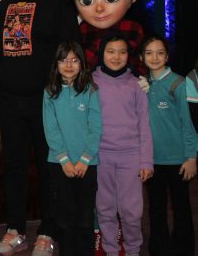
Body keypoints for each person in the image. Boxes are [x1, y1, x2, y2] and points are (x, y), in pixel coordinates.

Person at [0, 0, 79, 256]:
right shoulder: (4, 6)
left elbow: (72, 50)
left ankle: (47, 232)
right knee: (13, 167)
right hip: (10, 102)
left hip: (47, 101)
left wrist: (64, 94)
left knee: (48, 166)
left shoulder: (56, 4)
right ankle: (15, 231)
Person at [92, 34, 153, 256]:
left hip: (131, 156)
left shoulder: (136, 84)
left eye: (122, 52)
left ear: (129, 55)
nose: (116, 57)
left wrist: (146, 161)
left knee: (131, 211)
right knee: (105, 208)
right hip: (101, 156)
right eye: (111, 51)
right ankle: (110, 250)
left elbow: (144, 124)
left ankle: (133, 250)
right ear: (102, 54)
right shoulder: (91, 83)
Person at [42, 41, 101, 256]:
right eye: (63, 60)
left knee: (85, 218)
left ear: (82, 64)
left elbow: (96, 127)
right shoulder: (50, 92)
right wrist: (64, 160)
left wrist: (85, 159)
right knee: (64, 218)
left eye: (74, 60)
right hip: (59, 164)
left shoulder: (90, 90)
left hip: (87, 164)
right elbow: (51, 129)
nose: (69, 65)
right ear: (56, 64)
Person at [140, 35, 197, 255]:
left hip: (179, 159)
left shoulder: (179, 83)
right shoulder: (141, 85)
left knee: (181, 207)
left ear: (167, 56)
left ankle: (184, 249)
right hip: (152, 159)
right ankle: (159, 249)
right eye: (149, 53)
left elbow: (189, 123)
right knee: (156, 208)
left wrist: (191, 157)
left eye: (160, 53)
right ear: (141, 57)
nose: (154, 57)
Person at [68, 0, 145, 75]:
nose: (99, 8)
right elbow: (80, 66)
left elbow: (139, 66)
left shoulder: (132, 28)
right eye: (87, 0)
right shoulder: (82, 30)